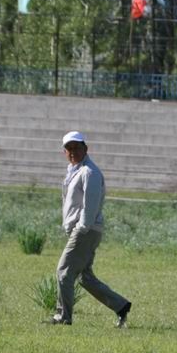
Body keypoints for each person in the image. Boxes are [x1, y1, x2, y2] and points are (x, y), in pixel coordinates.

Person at [48, 131, 132, 327]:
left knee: (64, 272)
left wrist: (81, 228)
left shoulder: (89, 172)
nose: (73, 151)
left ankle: (63, 317)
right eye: (69, 148)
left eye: (77, 147)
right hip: (84, 229)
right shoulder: (75, 170)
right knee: (84, 277)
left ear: (86, 148)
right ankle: (121, 306)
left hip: (86, 230)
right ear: (64, 152)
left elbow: (90, 204)